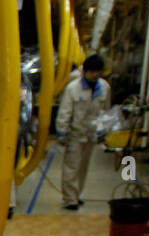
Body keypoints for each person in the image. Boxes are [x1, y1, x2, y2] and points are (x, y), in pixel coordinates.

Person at [56, 53, 111, 210]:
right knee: (71, 167)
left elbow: (105, 111)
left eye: (98, 71)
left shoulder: (105, 88)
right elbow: (65, 111)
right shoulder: (73, 89)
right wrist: (62, 131)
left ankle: (76, 195)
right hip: (75, 135)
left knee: (83, 167)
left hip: (92, 135)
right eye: (92, 71)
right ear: (85, 71)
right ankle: (70, 199)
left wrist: (103, 130)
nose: (95, 74)